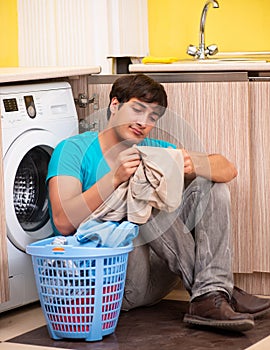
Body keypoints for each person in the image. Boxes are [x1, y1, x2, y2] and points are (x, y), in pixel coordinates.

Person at [46, 73, 270, 333]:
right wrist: (114, 179)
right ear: (115, 105)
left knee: (211, 187)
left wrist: (192, 162)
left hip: (163, 275)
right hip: (112, 283)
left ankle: (210, 292)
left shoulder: (154, 149)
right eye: (137, 110)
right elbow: (63, 222)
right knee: (141, 193)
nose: (144, 122)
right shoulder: (73, 149)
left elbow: (227, 170)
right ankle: (219, 290)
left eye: (153, 117)